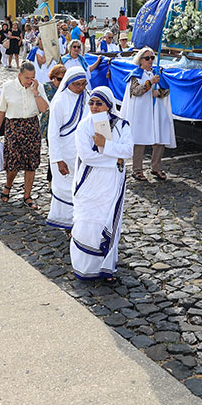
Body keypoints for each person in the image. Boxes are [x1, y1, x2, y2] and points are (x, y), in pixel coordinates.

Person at [69, 86, 133, 281]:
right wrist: (115, 160)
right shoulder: (84, 126)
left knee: (107, 220)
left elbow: (128, 150)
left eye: (99, 103)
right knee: (86, 222)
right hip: (89, 182)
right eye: (92, 103)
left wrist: (105, 145)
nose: (95, 107)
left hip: (112, 183)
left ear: (108, 105)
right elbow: (87, 157)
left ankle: (106, 268)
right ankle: (83, 267)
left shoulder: (122, 126)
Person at [0, 61, 49, 209]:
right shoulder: (8, 87)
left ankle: (27, 195)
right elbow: (1, 111)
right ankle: (8, 185)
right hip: (13, 126)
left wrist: (35, 93)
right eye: (27, 78)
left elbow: (44, 109)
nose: (30, 81)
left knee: (31, 163)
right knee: (13, 162)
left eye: (32, 78)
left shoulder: (37, 86)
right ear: (19, 76)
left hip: (32, 126)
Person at [120, 47, 176, 182]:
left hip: (156, 110)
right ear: (140, 61)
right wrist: (150, 84)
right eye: (147, 58)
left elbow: (166, 90)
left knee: (159, 138)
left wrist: (159, 93)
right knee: (139, 139)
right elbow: (135, 91)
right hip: (142, 112)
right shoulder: (136, 75)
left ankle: (156, 167)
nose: (150, 60)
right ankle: (137, 169)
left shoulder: (156, 73)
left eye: (152, 58)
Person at [45, 68, 88, 229]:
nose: (81, 88)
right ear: (68, 83)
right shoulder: (60, 101)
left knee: (83, 189)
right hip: (65, 154)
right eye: (77, 84)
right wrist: (57, 159)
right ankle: (68, 223)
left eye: (83, 84)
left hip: (85, 153)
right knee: (66, 189)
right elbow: (53, 134)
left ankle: (82, 221)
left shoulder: (88, 98)